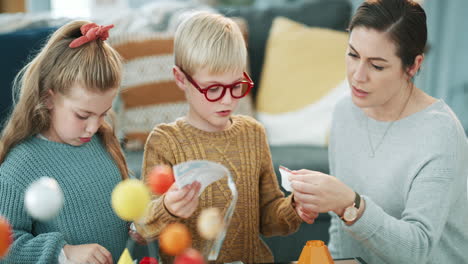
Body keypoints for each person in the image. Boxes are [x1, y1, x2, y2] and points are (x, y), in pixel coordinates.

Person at [289, 0, 468, 263]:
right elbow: (341, 233)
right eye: (353, 55)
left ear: (413, 66)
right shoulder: (345, 113)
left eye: (377, 65)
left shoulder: (440, 133)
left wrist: (349, 204)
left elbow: (417, 249)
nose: (357, 76)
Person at [134, 12, 303, 263]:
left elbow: (269, 219)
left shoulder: (253, 134)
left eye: (236, 85)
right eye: (213, 88)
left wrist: (295, 207)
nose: (228, 99)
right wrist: (167, 208)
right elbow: (142, 227)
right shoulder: (165, 142)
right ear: (181, 78)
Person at [0, 21, 130, 263]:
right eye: (82, 115)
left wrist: (138, 221)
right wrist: (64, 252)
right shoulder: (21, 165)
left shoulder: (102, 140)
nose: (93, 126)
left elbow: (121, 193)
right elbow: (6, 244)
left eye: (103, 113)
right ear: (48, 98)